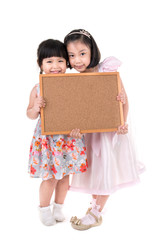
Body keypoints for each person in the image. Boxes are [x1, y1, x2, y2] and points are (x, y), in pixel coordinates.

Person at [64, 29, 145, 230]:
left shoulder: (106, 70)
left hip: (109, 133)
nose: (77, 60)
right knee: (93, 170)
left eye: (82, 53)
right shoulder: (72, 81)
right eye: (72, 56)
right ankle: (95, 205)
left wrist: (121, 123)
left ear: (92, 51)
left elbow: (124, 102)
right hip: (89, 135)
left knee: (105, 169)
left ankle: (96, 212)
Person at [27, 39, 88, 226]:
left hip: (68, 138)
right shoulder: (38, 88)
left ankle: (59, 206)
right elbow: (29, 114)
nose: (55, 66)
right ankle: (44, 208)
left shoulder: (73, 85)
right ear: (41, 64)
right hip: (48, 139)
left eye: (60, 61)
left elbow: (82, 111)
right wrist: (36, 107)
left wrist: (80, 129)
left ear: (67, 63)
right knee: (50, 177)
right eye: (49, 61)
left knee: (65, 176)